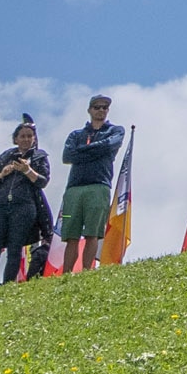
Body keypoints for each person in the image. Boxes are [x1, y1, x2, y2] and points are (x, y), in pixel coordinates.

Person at [50, 97, 123, 274]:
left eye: (105, 107)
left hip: (99, 186)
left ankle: (86, 271)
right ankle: (66, 273)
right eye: (97, 107)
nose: (101, 110)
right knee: (70, 235)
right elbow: (67, 156)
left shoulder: (115, 130)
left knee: (93, 233)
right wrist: (95, 151)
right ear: (89, 110)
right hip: (74, 188)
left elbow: (109, 145)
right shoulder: (76, 135)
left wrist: (82, 150)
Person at [0, 123, 53, 282]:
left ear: (34, 139)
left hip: (24, 207)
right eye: (22, 136)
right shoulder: (5, 157)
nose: (26, 139)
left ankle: (8, 284)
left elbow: (43, 181)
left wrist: (27, 171)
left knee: (15, 248)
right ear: (16, 139)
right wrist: (2, 174)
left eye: (30, 136)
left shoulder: (39, 157)